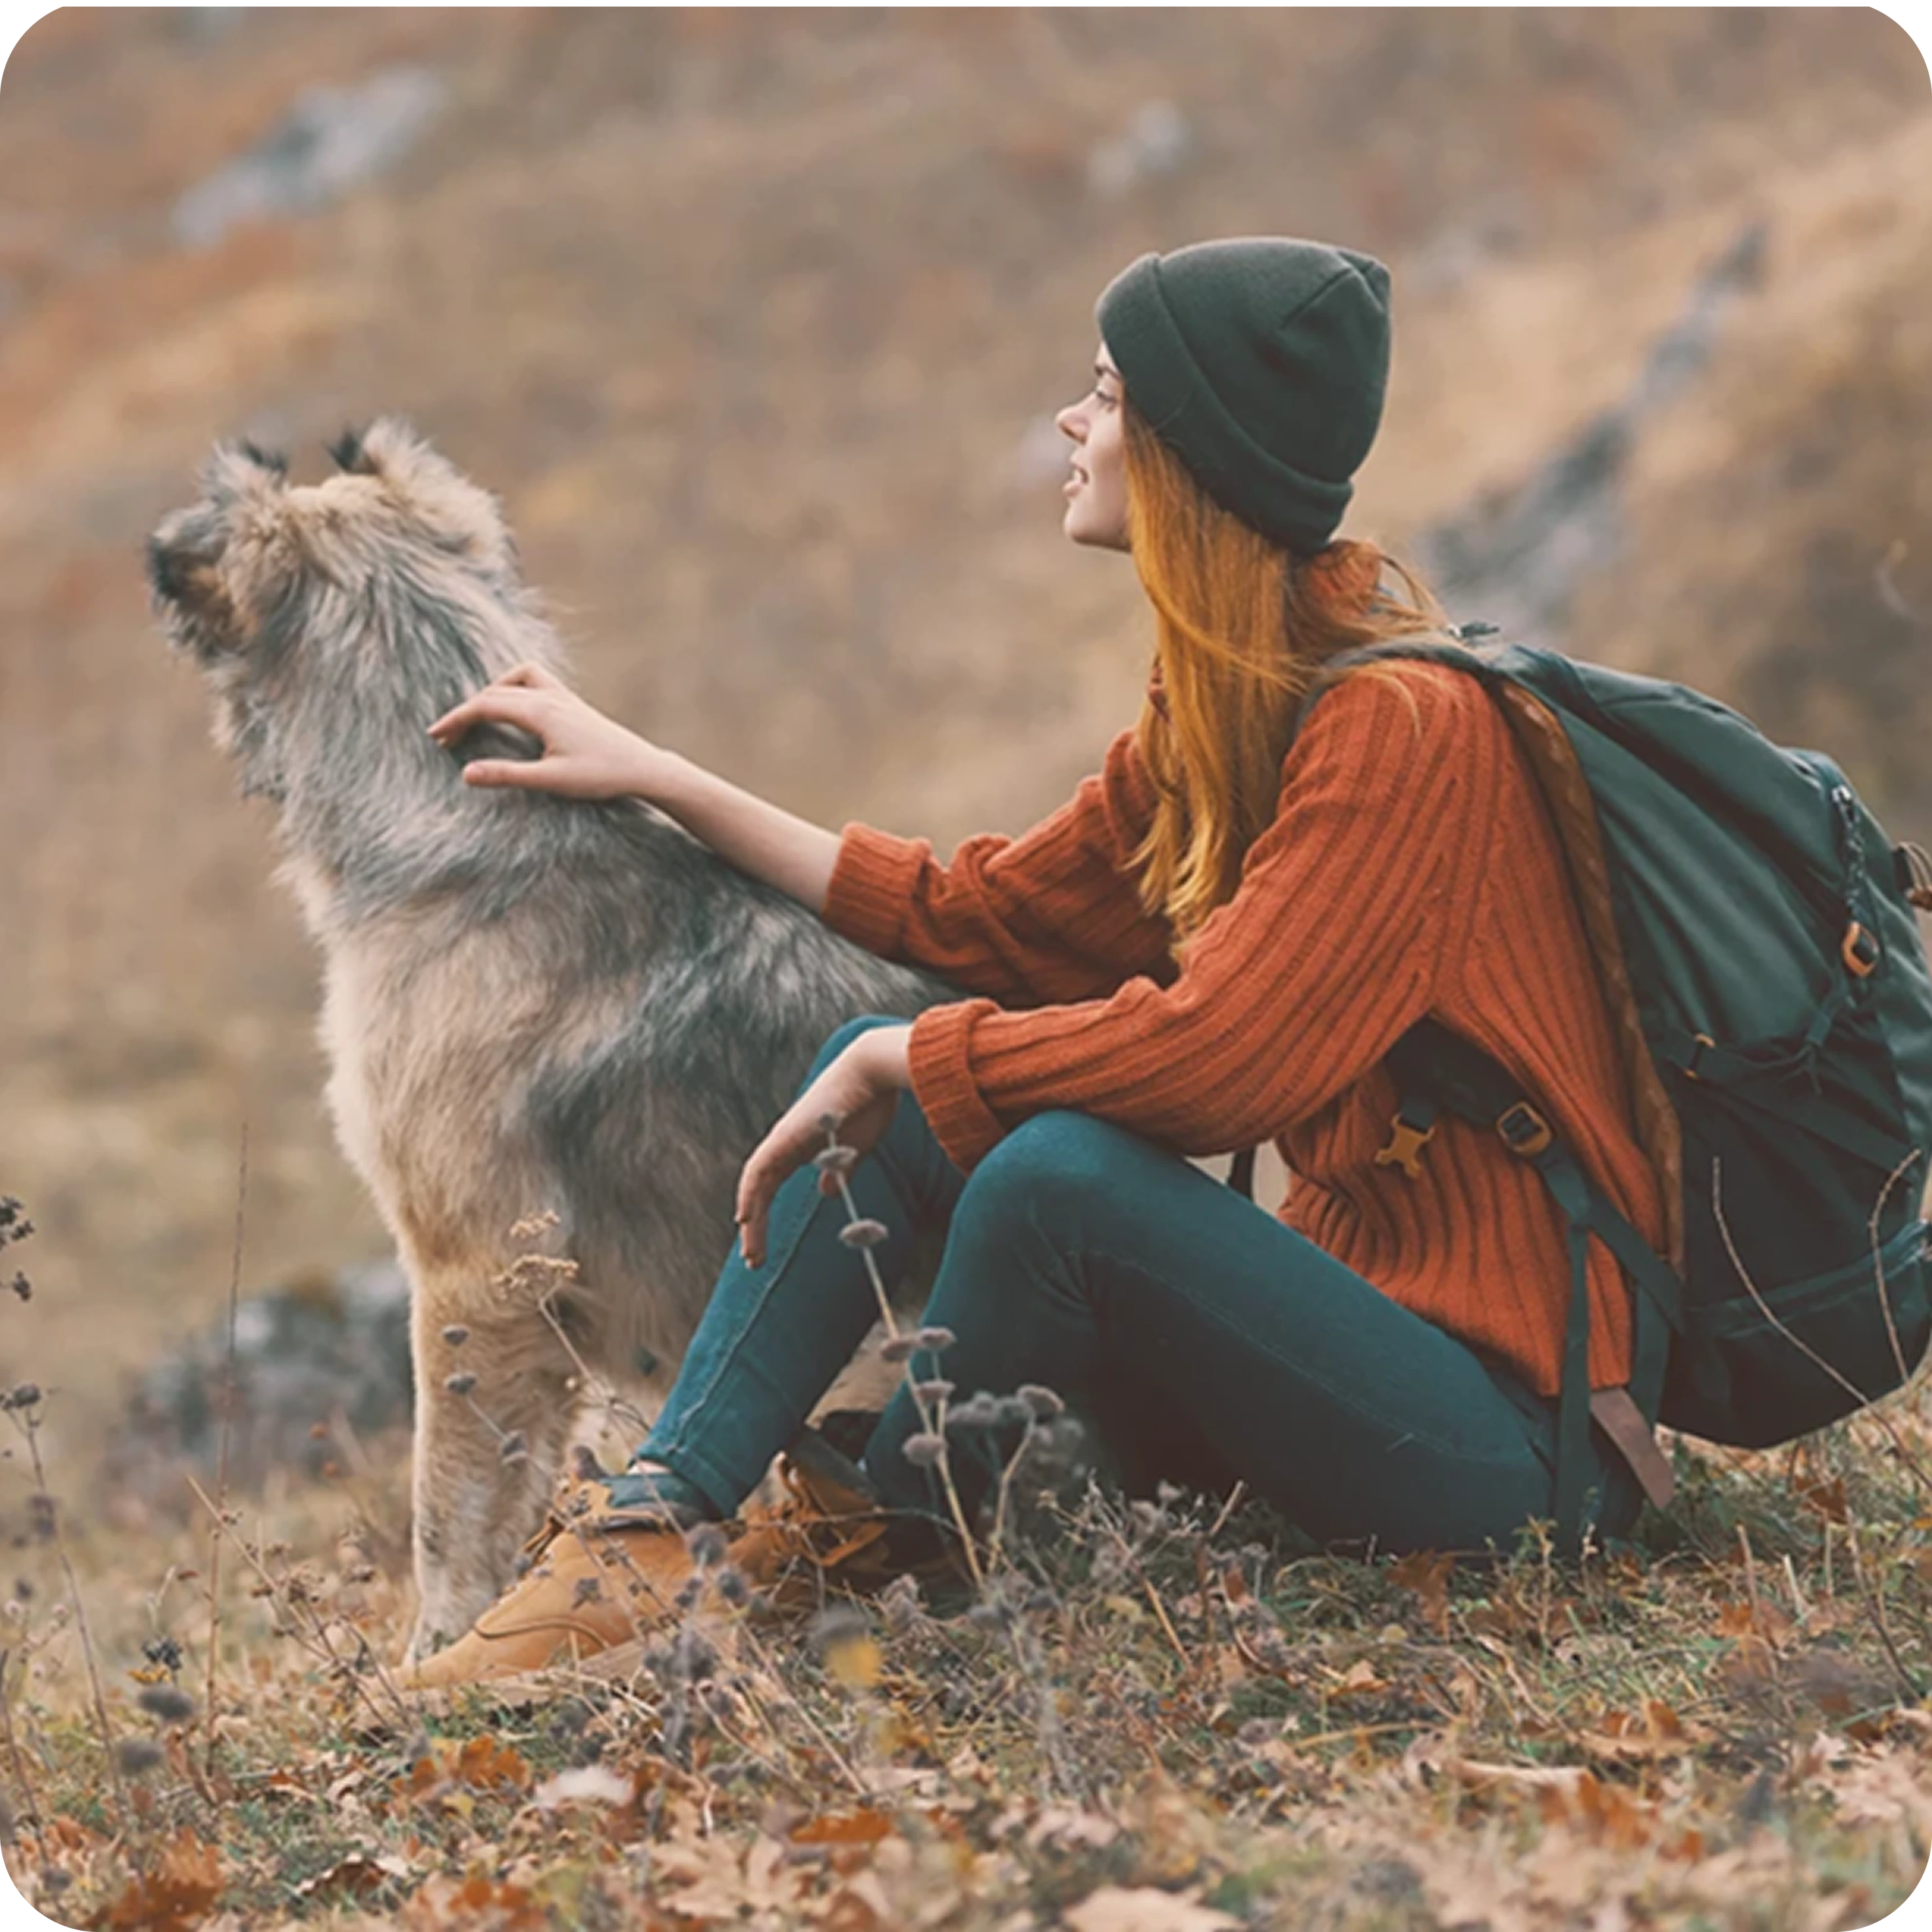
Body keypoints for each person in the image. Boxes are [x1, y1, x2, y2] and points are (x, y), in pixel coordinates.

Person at [407, 237, 1661, 1688]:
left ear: (1194, 448)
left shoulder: (1404, 734)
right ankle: (652, 1538)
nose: (1073, 423)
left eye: (1108, 393)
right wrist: (662, 776)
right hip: (1337, 1384)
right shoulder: (1234, 708)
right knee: (923, 1089)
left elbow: (1222, 1058)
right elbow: (985, 919)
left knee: (1046, 1169)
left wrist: (914, 1055)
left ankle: (867, 1539)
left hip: (1506, 1456)